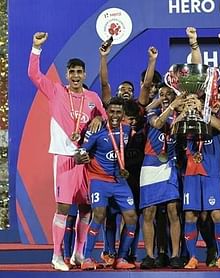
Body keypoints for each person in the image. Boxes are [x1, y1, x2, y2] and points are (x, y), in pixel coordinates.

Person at [28, 32, 106, 271]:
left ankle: (78, 254)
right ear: (67, 75)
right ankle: (56, 256)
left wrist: (99, 121)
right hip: (65, 157)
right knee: (63, 207)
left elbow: (104, 117)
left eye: (79, 72)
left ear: (84, 74)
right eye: (71, 72)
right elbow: (33, 74)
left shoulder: (92, 97)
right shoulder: (55, 91)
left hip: (86, 159)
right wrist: (36, 48)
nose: (75, 76)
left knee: (86, 207)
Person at [75, 97, 138, 270]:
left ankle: (121, 258)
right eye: (112, 112)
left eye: (118, 112)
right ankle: (87, 257)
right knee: (99, 214)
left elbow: (122, 153)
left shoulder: (127, 129)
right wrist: (79, 157)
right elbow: (81, 151)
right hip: (99, 180)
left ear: (123, 113)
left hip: (119, 180)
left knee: (132, 217)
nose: (115, 115)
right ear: (106, 112)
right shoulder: (97, 129)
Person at [179, 94, 220, 270]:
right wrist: (185, 111)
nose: (193, 104)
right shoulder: (187, 118)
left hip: (212, 174)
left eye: (196, 101)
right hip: (191, 174)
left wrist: (202, 109)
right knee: (190, 215)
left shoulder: (214, 117)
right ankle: (192, 257)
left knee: (217, 214)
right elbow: (173, 129)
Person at [139, 86, 184, 269]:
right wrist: (172, 106)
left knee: (173, 210)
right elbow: (157, 124)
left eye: (169, 94)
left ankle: (175, 255)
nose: (165, 97)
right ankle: (149, 255)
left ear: (175, 95)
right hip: (150, 165)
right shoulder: (152, 112)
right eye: (162, 94)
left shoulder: (180, 115)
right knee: (149, 212)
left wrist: (181, 112)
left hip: (169, 165)